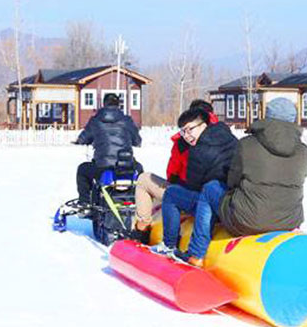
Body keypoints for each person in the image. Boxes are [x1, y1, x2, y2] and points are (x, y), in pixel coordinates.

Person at [184, 97, 307, 267]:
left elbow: (232, 181)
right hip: (289, 222)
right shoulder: (304, 151)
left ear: (267, 116)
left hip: (247, 221)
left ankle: (197, 253)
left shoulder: (247, 145)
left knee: (210, 188)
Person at [151, 105, 237, 260]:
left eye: (190, 129)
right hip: (233, 199)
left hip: (213, 203)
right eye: (183, 131)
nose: (186, 135)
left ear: (203, 124)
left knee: (171, 193)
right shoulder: (228, 136)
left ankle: (169, 244)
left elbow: (193, 185)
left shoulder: (198, 151)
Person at [129, 100, 218, 243]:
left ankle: (142, 228)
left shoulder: (184, 140)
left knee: (144, 180)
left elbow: (172, 173)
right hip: (218, 196)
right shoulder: (223, 135)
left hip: (191, 196)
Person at [74, 93, 142, 208]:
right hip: (126, 167)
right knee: (140, 171)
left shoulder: (95, 120)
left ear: (104, 104)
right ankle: (142, 202)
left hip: (102, 166)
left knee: (82, 170)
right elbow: (137, 141)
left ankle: (84, 202)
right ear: (118, 105)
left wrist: (81, 141)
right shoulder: (127, 120)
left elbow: (83, 138)